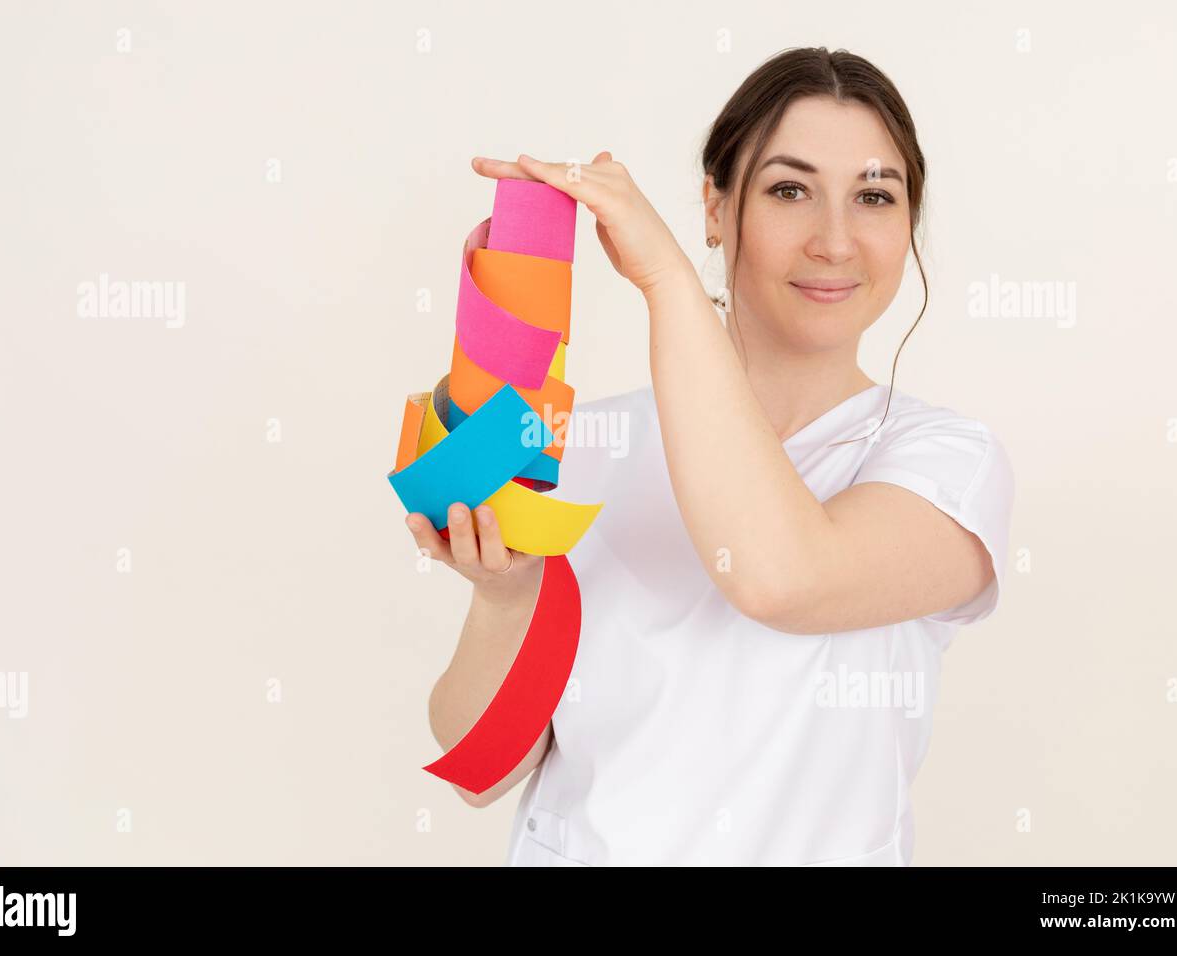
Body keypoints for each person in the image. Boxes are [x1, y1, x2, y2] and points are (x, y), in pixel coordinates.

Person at [407, 46, 1015, 866]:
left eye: (874, 196)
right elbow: (481, 773)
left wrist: (668, 282)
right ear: (715, 210)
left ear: (908, 227)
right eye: (789, 189)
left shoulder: (944, 464)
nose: (835, 241)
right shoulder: (584, 445)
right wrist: (506, 597)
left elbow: (777, 576)